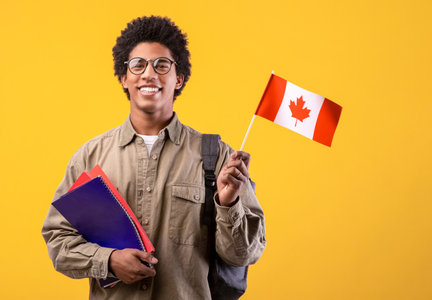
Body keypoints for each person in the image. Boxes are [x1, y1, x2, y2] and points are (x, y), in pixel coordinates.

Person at [42, 16, 266, 299]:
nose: (149, 74)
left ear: (179, 78)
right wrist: (108, 260)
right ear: (124, 77)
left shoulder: (218, 157)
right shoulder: (90, 157)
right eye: (138, 65)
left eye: (162, 65)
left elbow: (243, 254)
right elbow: (58, 241)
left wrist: (228, 201)